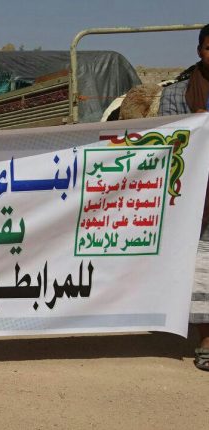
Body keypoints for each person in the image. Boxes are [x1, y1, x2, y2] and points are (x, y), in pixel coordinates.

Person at [157, 23, 209, 371]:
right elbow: (166, 142)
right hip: (196, 193)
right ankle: (206, 339)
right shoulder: (176, 95)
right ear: (199, 50)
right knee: (202, 265)